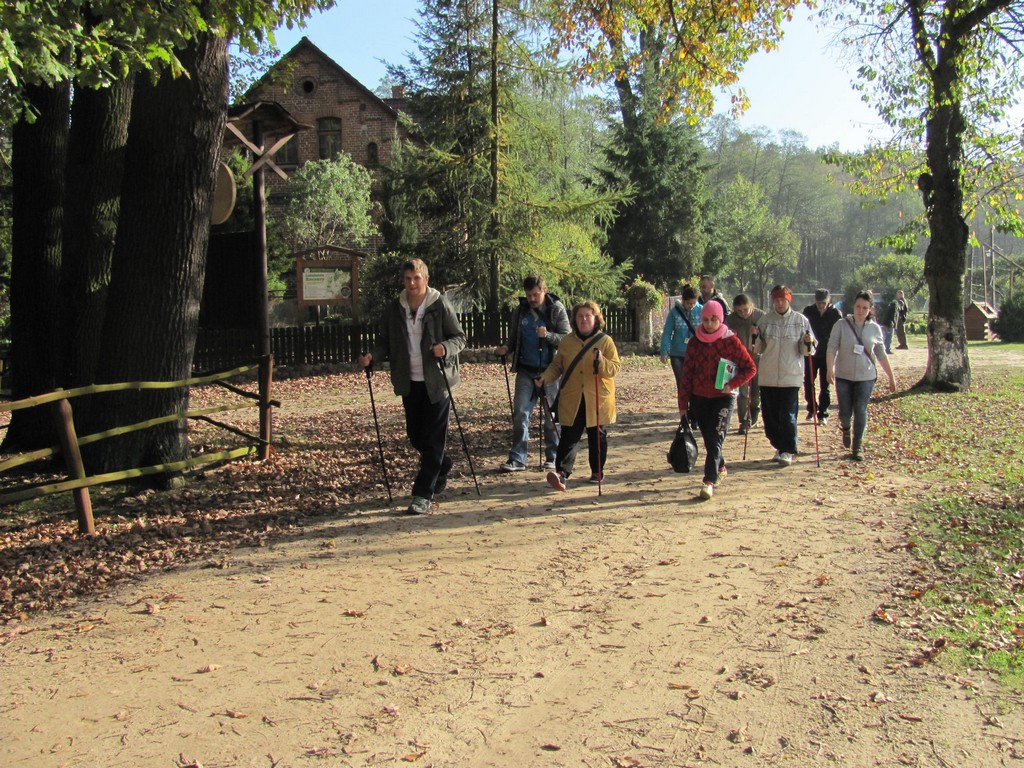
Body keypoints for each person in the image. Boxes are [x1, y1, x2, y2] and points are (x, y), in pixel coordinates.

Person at [359, 259, 467, 515]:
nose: (412, 283)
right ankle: (442, 464)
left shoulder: (440, 304)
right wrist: (373, 356)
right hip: (409, 380)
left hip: (437, 381)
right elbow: (385, 341)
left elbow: (460, 337)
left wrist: (445, 348)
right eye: (408, 278)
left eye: (416, 278)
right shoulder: (395, 308)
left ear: (425, 279)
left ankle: (423, 494)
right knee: (416, 436)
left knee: (433, 440)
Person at [536, 301, 621, 490]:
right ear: (574, 319)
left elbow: (614, 368)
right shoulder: (567, 342)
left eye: (588, 316)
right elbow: (557, 366)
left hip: (597, 397)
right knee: (569, 436)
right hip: (572, 396)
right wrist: (544, 378)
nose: (584, 319)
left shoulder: (605, 341)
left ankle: (597, 471)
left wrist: (601, 361)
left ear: (596, 319)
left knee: (597, 436)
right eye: (580, 316)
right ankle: (561, 474)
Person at [678, 302, 757, 500]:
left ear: (720, 319)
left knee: (715, 438)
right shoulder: (695, 343)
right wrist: (683, 405)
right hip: (699, 398)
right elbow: (686, 375)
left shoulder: (731, 341)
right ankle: (720, 467)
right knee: (709, 439)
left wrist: (733, 384)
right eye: (705, 320)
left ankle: (709, 481)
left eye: (713, 319)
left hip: (723, 398)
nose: (709, 324)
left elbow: (750, 368)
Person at [496, 277, 571, 472]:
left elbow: (567, 339)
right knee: (521, 412)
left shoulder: (556, 309)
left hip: (551, 371)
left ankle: (553, 456)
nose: (531, 299)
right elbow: (514, 337)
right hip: (526, 370)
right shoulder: (521, 310)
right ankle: (517, 458)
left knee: (552, 416)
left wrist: (548, 336)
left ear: (544, 290)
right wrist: (506, 348)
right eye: (528, 295)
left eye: (535, 295)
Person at [826, 291, 897, 461]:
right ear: (853, 306)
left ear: (870, 309)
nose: (860, 310)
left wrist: (891, 377)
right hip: (843, 375)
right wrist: (830, 369)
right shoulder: (841, 325)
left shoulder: (875, 329)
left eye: (865, 308)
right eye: (858, 306)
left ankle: (857, 446)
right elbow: (831, 348)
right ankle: (846, 428)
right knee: (845, 412)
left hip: (866, 376)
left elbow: (881, 354)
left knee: (860, 409)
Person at [754, 285, 816, 467]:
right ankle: (780, 445)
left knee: (787, 415)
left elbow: (808, 351)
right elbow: (757, 349)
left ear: (789, 300)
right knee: (770, 418)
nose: (780, 303)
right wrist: (755, 337)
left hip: (791, 376)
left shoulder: (801, 321)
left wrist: (808, 342)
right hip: (768, 376)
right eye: (776, 300)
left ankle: (788, 449)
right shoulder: (765, 321)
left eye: (783, 300)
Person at [802, 289, 842, 426]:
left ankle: (823, 412)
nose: (821, 306)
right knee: (808, 381)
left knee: (825, 384)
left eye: (823, 303)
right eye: (818, 303)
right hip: (810, 352)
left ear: (828, 300)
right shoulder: (808, 312)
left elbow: (839, 334)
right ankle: (812, 408)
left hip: (827, 353)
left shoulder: (835, 314)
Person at [725, 294, 763, 434]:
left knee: (756, 390)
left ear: (751, 306)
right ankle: (744, 420)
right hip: (740, 359)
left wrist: (758, 334)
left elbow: (767, 337)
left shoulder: (761, 316)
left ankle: (754, 412)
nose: (743, 313)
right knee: (742, 391)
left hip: (757, 356)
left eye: (746, 310)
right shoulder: (730, 320)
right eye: (739, 311)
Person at [659, 284, 702, 404]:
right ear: (683, 300)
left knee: (695, 383)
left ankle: (694, 409)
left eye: (693, 303)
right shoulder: (674, 312)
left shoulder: (702, 310)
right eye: (689, 303)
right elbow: (667, 332)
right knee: (682, 383)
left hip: (696, 354)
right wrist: (664, 351)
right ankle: (684, 410)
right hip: (677, 354)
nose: (691, 306)